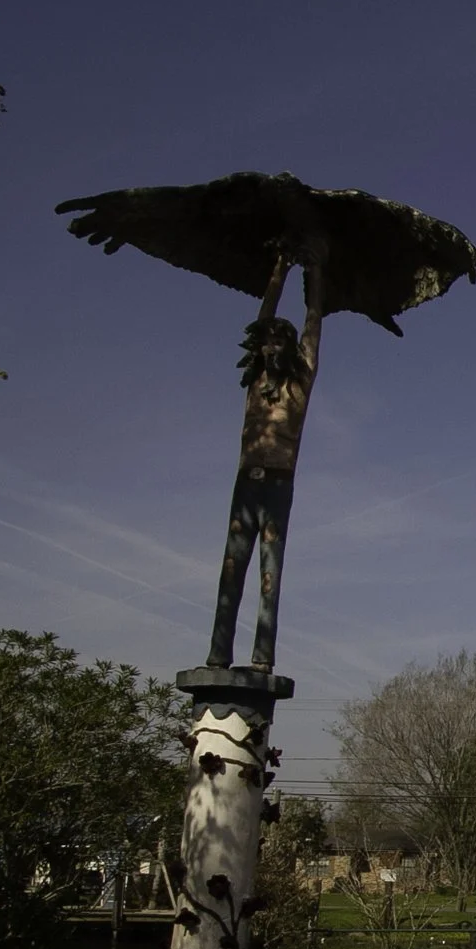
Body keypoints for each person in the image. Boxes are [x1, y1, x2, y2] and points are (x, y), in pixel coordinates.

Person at [209, 276, 321, 671]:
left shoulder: (299, 383)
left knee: (269, 573)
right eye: (266, 342)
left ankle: (262, 656)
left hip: (277, 483)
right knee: (230, 569)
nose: (271, 348)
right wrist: (278, 270)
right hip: (246, 483)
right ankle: (219, 652)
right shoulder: (255, 382)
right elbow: (261, 317)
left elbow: (313, 327)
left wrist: (315, 275)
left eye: (279, 342)